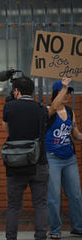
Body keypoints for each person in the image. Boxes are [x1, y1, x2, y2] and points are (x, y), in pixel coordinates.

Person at [2, 76, 49, 240]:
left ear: (16, 91)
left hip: (16, 163)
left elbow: (6, 129)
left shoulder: (9, 107)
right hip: (39, 162)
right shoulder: (41, 108)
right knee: (40, 204)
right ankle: (41, 236)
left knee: (14, 206)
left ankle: (11, 237)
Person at [45, 77, 82, 239]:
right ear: (57, 93)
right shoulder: (48, 110)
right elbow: (54, 106)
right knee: (54, 197)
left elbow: (76, 134)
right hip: (52, 158)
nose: (68, 95)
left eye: (69, 92)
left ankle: (78, 227)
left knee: (75, 194)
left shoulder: (70, 112)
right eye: (65, 92)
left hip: (69, 159)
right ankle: (55, 230)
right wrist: (63, 87)